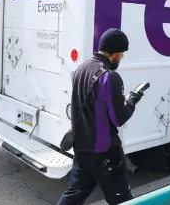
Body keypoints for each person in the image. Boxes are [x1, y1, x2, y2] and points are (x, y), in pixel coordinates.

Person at [57, 28, 144, 205]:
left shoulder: (82, 68)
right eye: (121, 54)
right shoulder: (110, 76)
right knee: (121, 199)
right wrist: (132, 100)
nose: (122, 58)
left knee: (74, 194)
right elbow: (119, 118)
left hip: (81, 148)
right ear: (114, 53)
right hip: (105, 153)